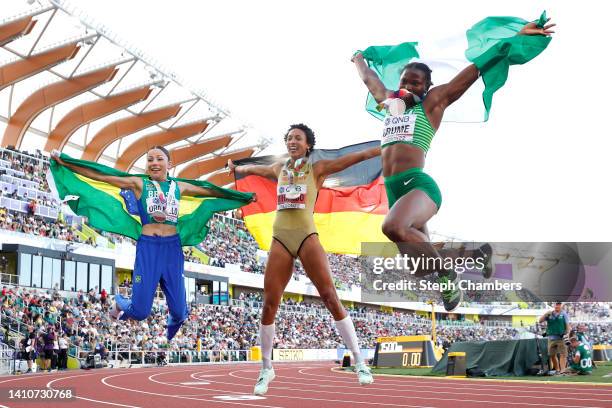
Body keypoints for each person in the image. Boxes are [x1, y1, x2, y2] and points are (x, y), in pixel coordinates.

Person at [351, 18, 555, 311]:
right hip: (396, 192)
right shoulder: (391, 106)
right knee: (420, 267)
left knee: (393, 227)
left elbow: (473, 70)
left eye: (415, 82)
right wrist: (358, 59)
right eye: (404, 81)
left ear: (427, 87)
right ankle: (474, 254)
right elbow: (369, 79)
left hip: (418, 186)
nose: (407, 86)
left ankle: (449, 273)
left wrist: (511, 41)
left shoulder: (432, 104)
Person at [228, 124, 380, 395]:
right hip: (281, 239)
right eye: (289, 138)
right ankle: (266, 368)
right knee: (269, 304)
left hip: (307, 236)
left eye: (298, 138)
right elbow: (255, 170)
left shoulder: (317, 169)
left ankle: (360, 362)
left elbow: (350, 159)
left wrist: (380, 150)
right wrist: (238, 168)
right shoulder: (279, 169)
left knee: (330, 297)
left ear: (308, 144)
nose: (292, 141)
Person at [51, 146, 253, 340]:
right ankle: (120, 303)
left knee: (180, 312)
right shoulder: (140, 183)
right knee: (139, 312)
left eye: (159, 159)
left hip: (172, 250)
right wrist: (67, 163)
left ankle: (173, 321)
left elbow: (211, 192)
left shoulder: (178, 187)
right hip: (149, 248)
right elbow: (102, 175)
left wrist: (242, 197)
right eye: (149, 160)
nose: (154, 163)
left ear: (169, 163)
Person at [539, 302, 570, 374]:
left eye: (559, 305)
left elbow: (567, 325)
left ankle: (563, 370)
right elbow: (540, 321)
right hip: (551, 337)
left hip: (561, 337)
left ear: (561, 306)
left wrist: (567, 334)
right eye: (556, 304)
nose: (557, 306)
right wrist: (546, 314)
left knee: (563, 354)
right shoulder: (549, 314)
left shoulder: (564, 314)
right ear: (554, 305)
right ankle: (557, 369)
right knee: (552, 355)